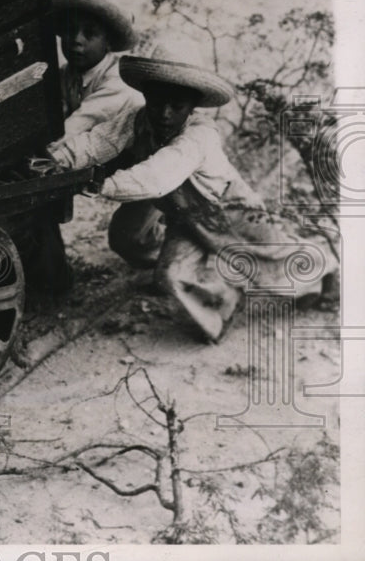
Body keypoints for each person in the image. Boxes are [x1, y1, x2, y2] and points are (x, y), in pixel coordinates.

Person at [76, 46, 338, 342]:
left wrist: (105, 185)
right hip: (185, 216)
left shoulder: (198, 135)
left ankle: (330, 272)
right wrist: (59, 159)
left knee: (273, 252)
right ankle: (221, 305)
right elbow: (97, 141)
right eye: (158, 102)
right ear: (147, 96)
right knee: (170, 277)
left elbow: (158, 175)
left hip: (232, 210)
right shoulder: (137, 121)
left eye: (177, 106)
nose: (165, 114)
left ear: (193, 106)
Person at [45, 0, 143, 167]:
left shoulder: (118, 79)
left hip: (125, 161)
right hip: (86, 154)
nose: (77, 40)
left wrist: (35, 154)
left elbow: (79, 124)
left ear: (108, 42)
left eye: (90, 34)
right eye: (70, 30)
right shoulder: (66, 73)